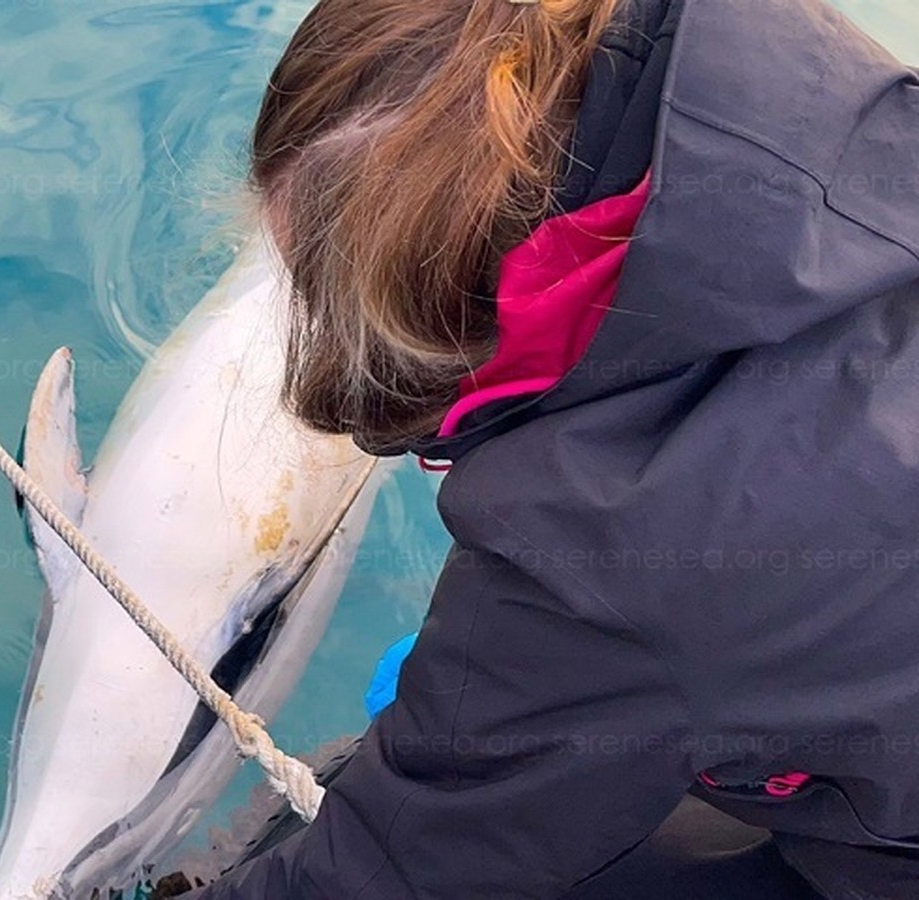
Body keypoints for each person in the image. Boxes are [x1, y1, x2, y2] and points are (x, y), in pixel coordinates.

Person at [188, 0, 919, 896]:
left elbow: (384, 876)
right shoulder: (788, 70)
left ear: (434, 320)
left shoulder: (609, 561)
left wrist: (512, 701)